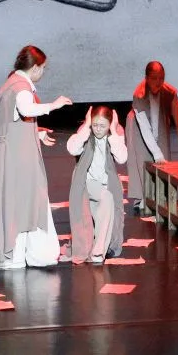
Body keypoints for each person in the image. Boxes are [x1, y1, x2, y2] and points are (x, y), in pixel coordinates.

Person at [0, 46, 72, 269]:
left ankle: (20, 254)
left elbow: (13, 120)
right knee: (27, 200)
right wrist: (53, 105)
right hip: (18, 157)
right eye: (43, 68)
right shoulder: (21, 87)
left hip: (13, 152)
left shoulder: (12, 83)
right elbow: (25, 109)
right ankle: (32, 254)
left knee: (19, 201)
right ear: (35, 67)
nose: (43, 72)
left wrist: (37, 133)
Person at [124, 61, 178, 215]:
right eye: (154, 78)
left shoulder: (169, 93)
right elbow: (144, 127)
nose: (158, 82)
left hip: (160, 121)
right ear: (146, 78)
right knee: (142, 157)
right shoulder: (139, 94)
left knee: (163, 158)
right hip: (137, 125)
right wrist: (156, 153)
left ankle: (160, 195)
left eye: (161, 78)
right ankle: (141, 197)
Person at [66, 106, 128, 265]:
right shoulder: (86, 132)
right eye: (95, 125)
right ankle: (98, 251)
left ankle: (98, 249)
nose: (98, 129)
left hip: (106, 184)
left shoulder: (115, 134)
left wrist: (113, 132)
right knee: (106, 199)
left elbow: (122, 158)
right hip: (86, 183)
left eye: (102, 126)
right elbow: (72, 149)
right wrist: (87, 126)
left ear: (110, 124)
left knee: (102, 213)